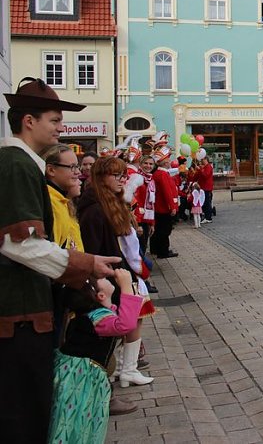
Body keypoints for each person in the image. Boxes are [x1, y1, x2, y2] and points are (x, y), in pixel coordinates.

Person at [0, 78, 119, 442]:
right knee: (23, 413)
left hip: (28, 309)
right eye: (54, 120)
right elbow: (20, 245)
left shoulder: (24, 163)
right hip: (19, 314)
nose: (61, 128)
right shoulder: (16, 163)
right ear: (28, 121)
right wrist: (86, 265)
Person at [78, 157, 155, 390]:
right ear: (102, 178)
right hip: (111, 275)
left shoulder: (112, 203)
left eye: (124, 175)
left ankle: (126, 369)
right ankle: (121, 369)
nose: (123, 180)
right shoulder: (95, 210)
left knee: (133, 319)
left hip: (122, 272)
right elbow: (94, 249)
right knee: (121, 321)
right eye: (117, 175)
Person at [48, 269, 143, 442]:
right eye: (101, 279)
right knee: (78, 420)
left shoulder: (95, 314)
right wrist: (126, 286)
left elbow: (118, 316)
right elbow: (126, 325)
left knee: (78, 418)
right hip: (81, 379)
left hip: (79, 374)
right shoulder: (98, 318)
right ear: (100, 295)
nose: (105, 278)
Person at [149, 144, 179, 258]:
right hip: (164, 207)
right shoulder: (163, 174)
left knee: (158, 229)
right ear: (165, 162)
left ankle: (155, 249)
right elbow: (167, 192)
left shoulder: (158, 173)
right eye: (168, 159)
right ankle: (163, 251)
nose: (170, 161)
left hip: (159, 206)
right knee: (164, 230)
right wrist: (172, 207)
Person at [196, 155, 214, 222]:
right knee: (204, 202)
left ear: (206, 159)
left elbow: (205, 176)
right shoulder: (205, 167)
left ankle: (208, 218)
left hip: (207, 187)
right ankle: (206, 216)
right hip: (203, 187)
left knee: (207, 202)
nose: (201, 161)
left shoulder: (208, 167)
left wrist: (200, 170)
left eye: (202, 159)